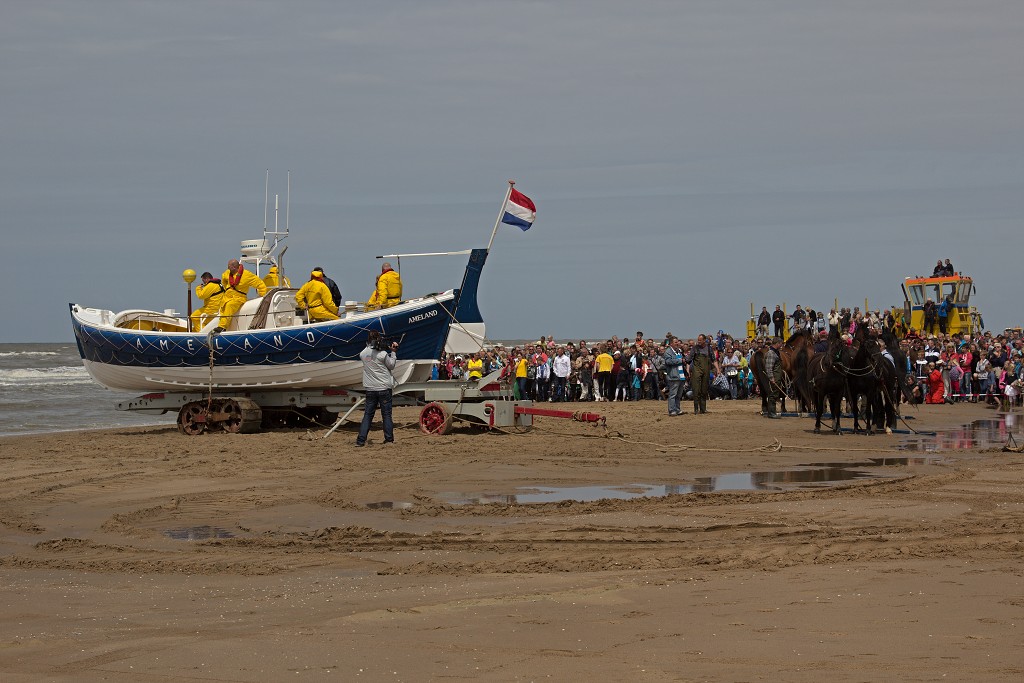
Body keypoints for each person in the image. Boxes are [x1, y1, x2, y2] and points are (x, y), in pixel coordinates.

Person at [356, 330, 398, 446]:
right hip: (384, 387)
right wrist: (393, 352)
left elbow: (370, 354)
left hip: (370, 388)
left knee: (368, 415)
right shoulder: (382, 354)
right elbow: (391, 365)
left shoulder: (363, 354)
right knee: (386, 415)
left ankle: (360, 441)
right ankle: (389, 439)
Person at [217, 258, 268, 331]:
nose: (228, 268)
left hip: (239, 298)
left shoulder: (247, 275)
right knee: (223, 308)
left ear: (234, 267)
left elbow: (260, 284)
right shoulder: (227, 273)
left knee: (229, 306)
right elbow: (224, 279)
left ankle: (222, 327)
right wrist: (227, 288)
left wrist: (262, 297)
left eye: (229, 266)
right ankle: (224, 328)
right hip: (227, 297)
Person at [685, 333, 716, 414]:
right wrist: (687, 369)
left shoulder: (709, 349)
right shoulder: (694, 348)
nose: (698, 341)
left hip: (706, 371)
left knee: (704, 390)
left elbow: (714, 359)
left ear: (704, 340)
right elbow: (688, 360)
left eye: (700, 340)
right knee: (696, 390)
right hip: (696, 371)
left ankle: (703, 409)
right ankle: (696, 409)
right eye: (698, 340)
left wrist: (718, 370)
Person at [663, 336, 685, 416]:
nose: (677, 343)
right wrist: (679, 360)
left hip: (681, 375)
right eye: (675, 342)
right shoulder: (668, 352)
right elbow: (668, 361)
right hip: (673, 376)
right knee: (673, 394)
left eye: (678, 342)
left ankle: (677, 409)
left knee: (678, 395)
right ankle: (672, 410)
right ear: (671, 343)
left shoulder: (678, 351)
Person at [763, 337, 784, 418]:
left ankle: (772, 411)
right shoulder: (771, 353)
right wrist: (772, 378)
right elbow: (769, 367)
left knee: (774, 394)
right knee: (773, 394)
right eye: (781, 344)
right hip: (774, 377)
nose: (781, 345)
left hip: (776, 377)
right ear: (777, 343)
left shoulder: (775, 353)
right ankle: (771, 413)